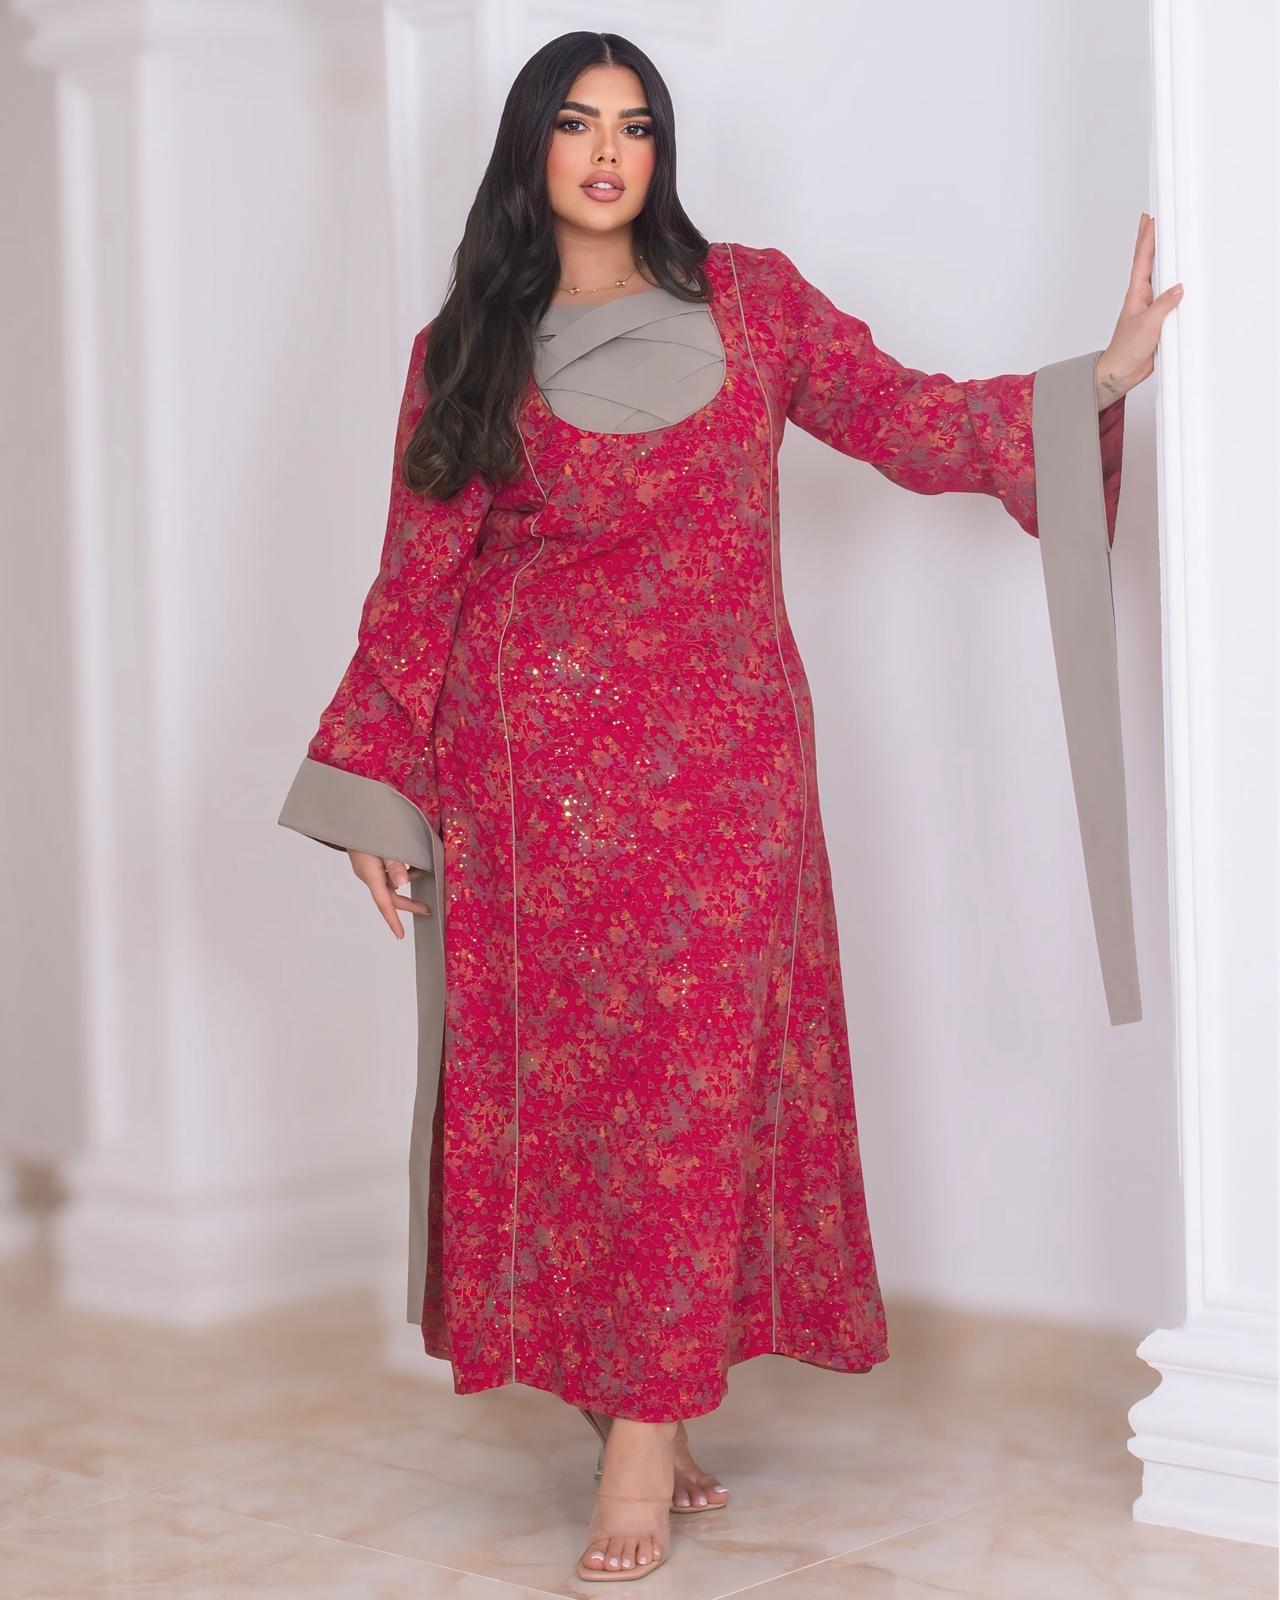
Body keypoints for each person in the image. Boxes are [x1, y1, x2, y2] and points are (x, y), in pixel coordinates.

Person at [277, 29, 1180, 1586]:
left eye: (635, 125)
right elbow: (417, 581)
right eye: (577, 123)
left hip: (723, 784)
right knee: (572, 1116)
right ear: (531, 149)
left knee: (691, 1103)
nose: (607, 153)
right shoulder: (469, 346)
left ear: (662, 150)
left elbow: (908, 417)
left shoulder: (752, 303)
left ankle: (646, 1429)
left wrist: (1088, 384)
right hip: (534, 795)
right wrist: (373, 788)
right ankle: (634, 1406)